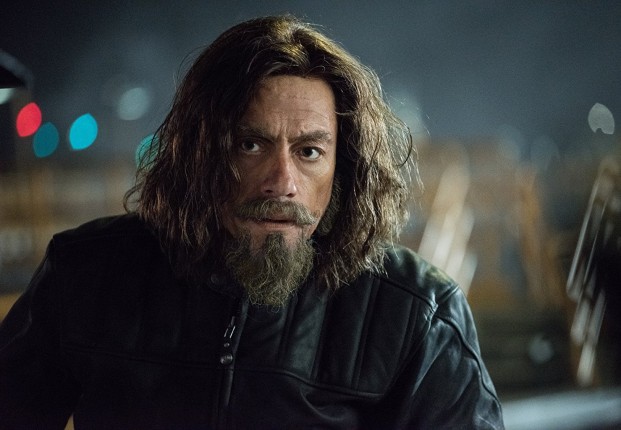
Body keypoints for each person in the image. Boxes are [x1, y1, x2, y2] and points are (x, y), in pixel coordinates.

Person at [0, 14, 504, 429]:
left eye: (309, 151)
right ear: (199, 154)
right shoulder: (88, 273)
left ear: (343, 166)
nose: (281, 182)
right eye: (250, 144)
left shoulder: (418, 311)